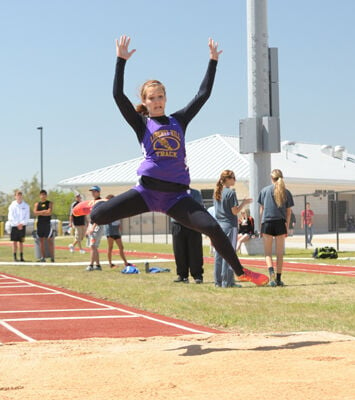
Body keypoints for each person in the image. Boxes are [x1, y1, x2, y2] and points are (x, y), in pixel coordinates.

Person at [75, 35, 269, 287]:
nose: (157, 102)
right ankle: (93, 205)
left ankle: (240, 271)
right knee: (100, 216)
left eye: (160, 97)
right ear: (145, 102)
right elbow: (117, 95)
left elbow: (203, 95)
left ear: (165, 99)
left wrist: (213, 62)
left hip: (177, 198)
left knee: (212, 227)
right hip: (146, 192)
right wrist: (120, 61)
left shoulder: (179, 120)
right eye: (152, 98)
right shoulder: (142, 124)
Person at [213, 170, 252, 287]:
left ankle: (218, 282)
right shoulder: (230, 193)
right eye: (233, 178)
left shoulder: (216, 192)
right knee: (229, 254)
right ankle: (228, 282)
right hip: (229, 226)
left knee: (219, 254)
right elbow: (234, 211)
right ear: (228, 179)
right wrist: (244, 203)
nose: (235, 180)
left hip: (218, 226)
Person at [258, 169, 294, 287]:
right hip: (280, 223)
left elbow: (261, 210)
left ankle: (271, 276)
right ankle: (278, 279)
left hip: (267, 222)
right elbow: (288, 212)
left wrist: (261, 225)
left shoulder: (264, 191)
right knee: (279, 254)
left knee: (268, 253)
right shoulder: (286, 192)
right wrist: (287, 227)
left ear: (271, 178)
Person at [172, 188, 204, 284]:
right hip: (177, 224)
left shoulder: (196, 193)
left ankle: (197, 275)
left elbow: (198, 207)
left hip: (193, 225)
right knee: (179, 251)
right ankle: (182, 275)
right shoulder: (173, 192)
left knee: (195, 251)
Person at [104, 194, 130, 269]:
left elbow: (118, 217)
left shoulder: (116, 208)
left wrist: (120, 225)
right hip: (110, 229)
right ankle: (110, 264)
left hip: (116, 230)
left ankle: (125, 262)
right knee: (110, 247)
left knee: (121, 247)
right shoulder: (107, 209)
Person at [8, 190, 30, 262]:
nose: (19, 196)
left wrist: (22, 224)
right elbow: (10, 216)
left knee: (21, 242)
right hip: (14, 226)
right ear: (15, 196)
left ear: (22, 196)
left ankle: (21, 257)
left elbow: (27, 217)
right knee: (14, 242)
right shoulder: (12, 206)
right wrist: (17, 224)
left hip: (22, 226)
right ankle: (15, 257)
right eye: (17, 195)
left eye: (20, 195)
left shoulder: (26, 206)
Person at [86, 186, 104, 271]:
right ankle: (98, 265)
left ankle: (91, 265)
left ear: (98, 192)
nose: (92, 193)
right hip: (92, 225)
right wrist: (88, 227)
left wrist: (92, 227)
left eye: (94, 191)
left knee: (93, 245)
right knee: (94, 246)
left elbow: (99, 216)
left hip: (97, 226)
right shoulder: (93, 202)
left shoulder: (100, 202)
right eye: (92, 191)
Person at [33, 190, 55, 262]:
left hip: (47, 224)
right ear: (40, 196)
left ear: (46, 195)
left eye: (44, 195)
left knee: (49, 240)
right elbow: (35, 213)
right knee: (41, 240)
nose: (43, 196)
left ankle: (52, 257)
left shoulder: (49, 203)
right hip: (40, 224)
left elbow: (49, 212)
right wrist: (43, 212)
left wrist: (40, 213)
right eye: (42, 195)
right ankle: (43, 257)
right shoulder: (37, 204)